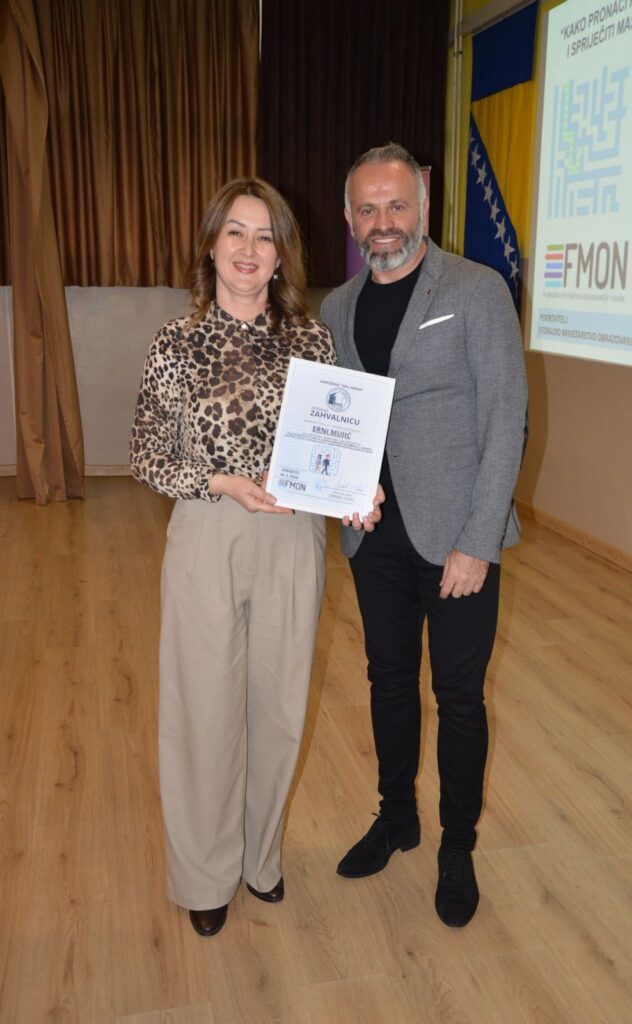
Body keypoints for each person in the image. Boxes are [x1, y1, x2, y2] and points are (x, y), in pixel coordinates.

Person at [130, 177, 380, 937]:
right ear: (212, 246)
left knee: (277, 707)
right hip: (208, 530)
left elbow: (335, 449)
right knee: (203, 710)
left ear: (281, 255)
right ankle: (205, 874)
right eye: (235, 232)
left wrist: (356, 492)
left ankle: (259, 858)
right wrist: (219, 481)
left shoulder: (312, 340)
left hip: (293, 539)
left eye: (265, 236)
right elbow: (145, 453)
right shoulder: (176, 342)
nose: (248, 249)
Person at [321, 144, 528, 928]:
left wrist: (479, 541)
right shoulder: (337, 307)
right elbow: (339, 420)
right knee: (388, 680)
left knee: (460, 697)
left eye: (396, 205)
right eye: (367, 208)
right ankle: (396, 817)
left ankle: (457, 845)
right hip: (374, 537)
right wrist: (342, 493)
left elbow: (507, 419)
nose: (383, 222)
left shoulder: (475, 290)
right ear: (350, 217)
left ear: (424, 207)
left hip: (458, 539)